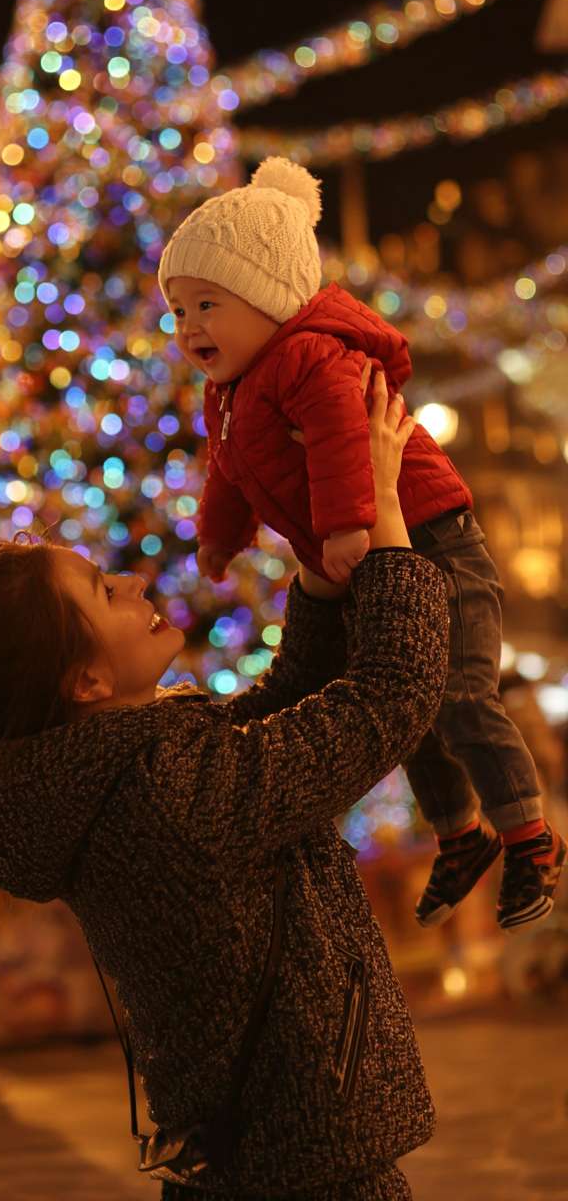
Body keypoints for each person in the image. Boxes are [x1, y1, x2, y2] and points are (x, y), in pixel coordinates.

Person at [0, 373, 445, 1199]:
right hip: (304, 1167)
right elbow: (389, 696)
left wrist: (325, 588)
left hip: (249, 1157)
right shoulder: (166, 794)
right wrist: (390, 520)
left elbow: (272, 718)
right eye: (101, 592)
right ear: (82, 682)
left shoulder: (117, 779)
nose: (134, 584)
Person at [158, 156, 566, 934]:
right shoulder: (231, 395)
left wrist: (348, 522)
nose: (190, 328)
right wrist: (218, 539)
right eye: (178, 311)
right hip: (373, 558)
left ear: (270, 297)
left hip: (437, 543)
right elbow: (230, 475)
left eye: (207, 303)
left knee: (460, 697)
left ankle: (531, 834)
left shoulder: (311, 356)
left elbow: (347, 438)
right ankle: (459, 834)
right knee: (406, 705)